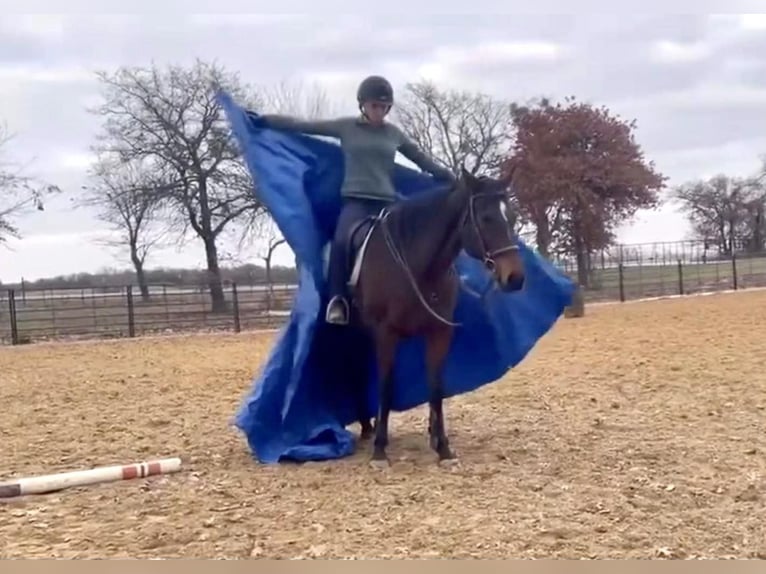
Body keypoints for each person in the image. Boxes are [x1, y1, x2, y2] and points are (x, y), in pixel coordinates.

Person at [258, 75, 455, 325]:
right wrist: (266, 121)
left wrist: (449, 178)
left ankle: (423, 297)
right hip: (356, 203)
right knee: (341, 241)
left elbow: (421, 159)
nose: (379, 111)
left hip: (388, 203)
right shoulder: (347, 127)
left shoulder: (394, 134)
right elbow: (303, 125)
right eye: (374, 106)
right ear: (363, 105)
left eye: (383, 107)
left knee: (417, 240)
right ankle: (338, 300)